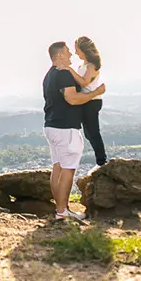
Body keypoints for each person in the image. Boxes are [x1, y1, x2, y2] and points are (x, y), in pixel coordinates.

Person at [42, 40, 106, 221]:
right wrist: (96, 93)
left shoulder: (49, 75)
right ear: (59, 55)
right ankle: (63, 212)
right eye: (68, 51)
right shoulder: (64, 74)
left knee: (57, 168)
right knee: (68, 170)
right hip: (65, 128)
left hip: (51, 125)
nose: (71, 54)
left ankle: (60, 209)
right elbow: (73, 99)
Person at [65, 35, 108, 167]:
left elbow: (84, 83)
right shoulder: (83, 65)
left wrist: (69, 69)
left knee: (93, 132)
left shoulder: (91, 66)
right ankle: (101, 160)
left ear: (84, 50)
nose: (76, 53)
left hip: (92, 101)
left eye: (77, 50)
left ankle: (102, 161)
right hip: (86, 101)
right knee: (88, 134)